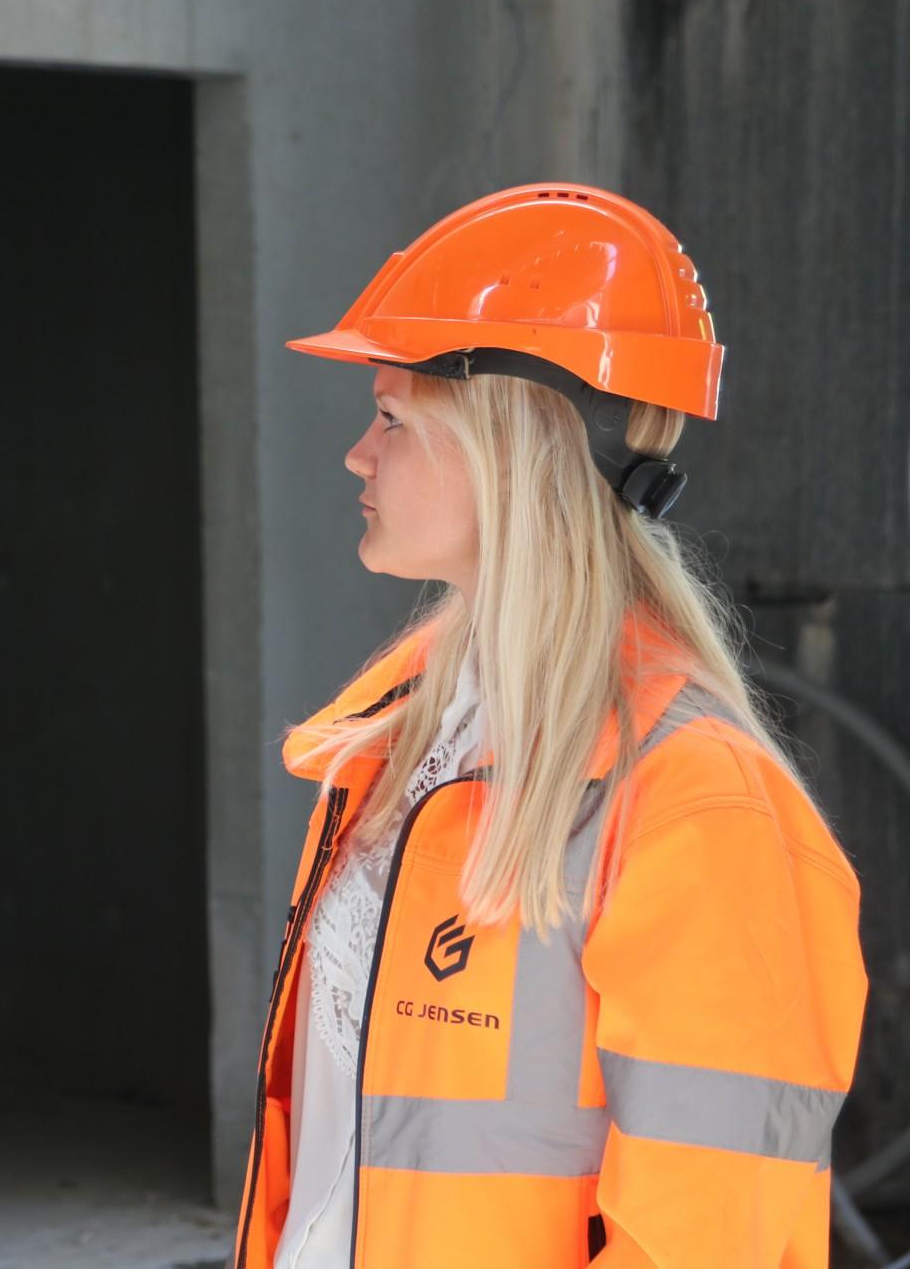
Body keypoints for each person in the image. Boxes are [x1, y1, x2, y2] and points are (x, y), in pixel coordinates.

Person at [231, 184, 866, 1268]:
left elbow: (710, 1245)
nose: (356, 454)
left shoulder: (698, 806)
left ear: (510, 445)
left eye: (391, 417)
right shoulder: (394, 742)